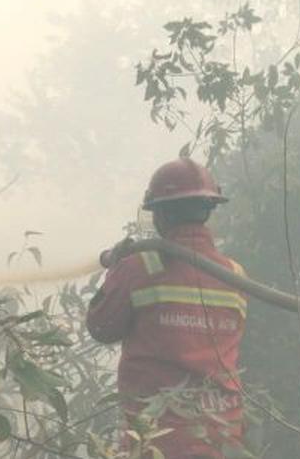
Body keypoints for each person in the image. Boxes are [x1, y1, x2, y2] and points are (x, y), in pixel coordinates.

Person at [86, 158, 247, 459]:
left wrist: (117, 270)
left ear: (161, 213)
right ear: (208, 209)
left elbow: (100, 327)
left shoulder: (139, 267)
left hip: (159, 441)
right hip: (222, 439)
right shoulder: (235, 275)